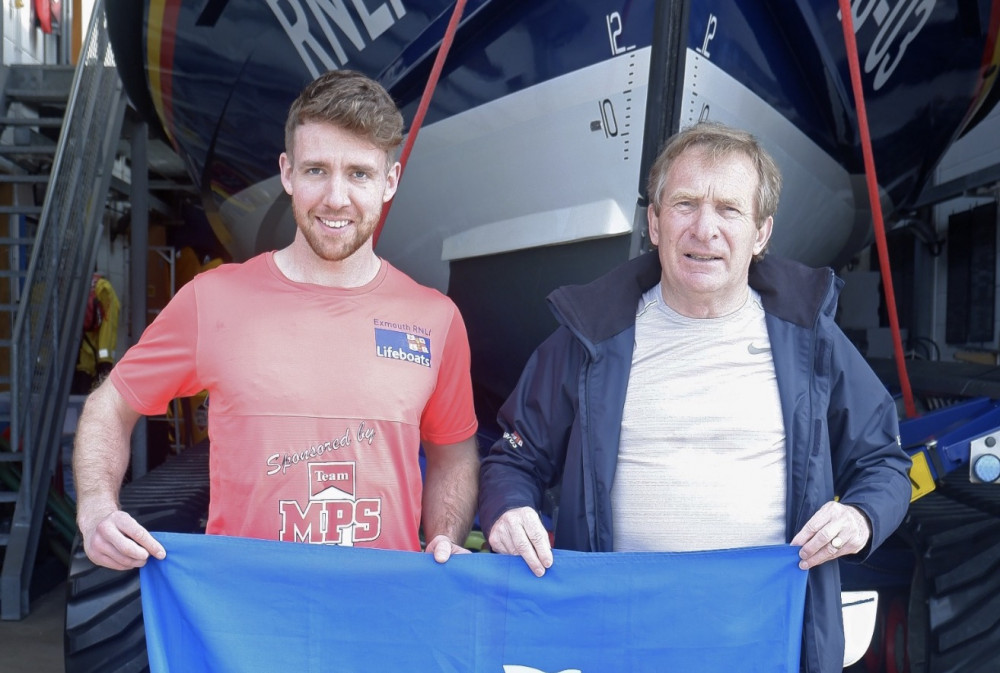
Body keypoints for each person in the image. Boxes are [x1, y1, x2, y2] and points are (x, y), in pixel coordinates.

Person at [478, 121, 912, 673]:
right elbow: (514, 458)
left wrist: (861, 517)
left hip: (768, 636)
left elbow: (884, 463)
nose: (704, 229)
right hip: (618, 639)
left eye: (729, 209)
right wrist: (509, 510)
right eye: (685, 204)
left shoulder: (810, 338)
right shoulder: (590, 337)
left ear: (761, 234)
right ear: (655, 223)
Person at [74, 70, 480, 571]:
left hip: (381, 617)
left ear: (389, 182)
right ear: (287, 173)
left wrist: (443, 539)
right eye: (316, 171)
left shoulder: (436, 320)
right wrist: (96, 508)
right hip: (245, 622)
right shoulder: (213, 299)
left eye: (359, 173)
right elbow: (110, 405)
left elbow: (454, 453)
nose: (336, 197)